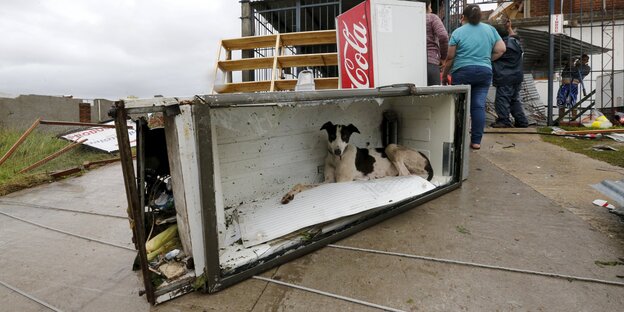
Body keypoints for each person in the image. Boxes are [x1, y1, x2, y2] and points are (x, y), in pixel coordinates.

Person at [442, 4, 506, 150]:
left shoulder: (458, 32)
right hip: (484, 72)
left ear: (463, 17)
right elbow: (501, 49)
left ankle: (457, 140)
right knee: (478, 106)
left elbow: (450, 58)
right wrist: (486, 59)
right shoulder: (490, 29)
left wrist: (445, 76)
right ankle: (476, 141)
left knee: (460, 107)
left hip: (462, 72)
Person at [490, 20, 529, 128]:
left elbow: (494, 54)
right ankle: (521, 121)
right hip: (517, 77)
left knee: (502, 99)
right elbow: (514, 36)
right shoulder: (515, 42)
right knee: (514, 100)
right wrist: (509, 28)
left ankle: (503, 121)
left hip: (505, 77)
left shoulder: (501, 46)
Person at [425, 0, 448, 85]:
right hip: (431, 63)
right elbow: (443, 36)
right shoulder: (432, 17)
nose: (431, 10)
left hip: (410, 64)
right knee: (433, 96)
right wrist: (443, 57)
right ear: (427, 7)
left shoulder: (408, 19)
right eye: (430, 7)